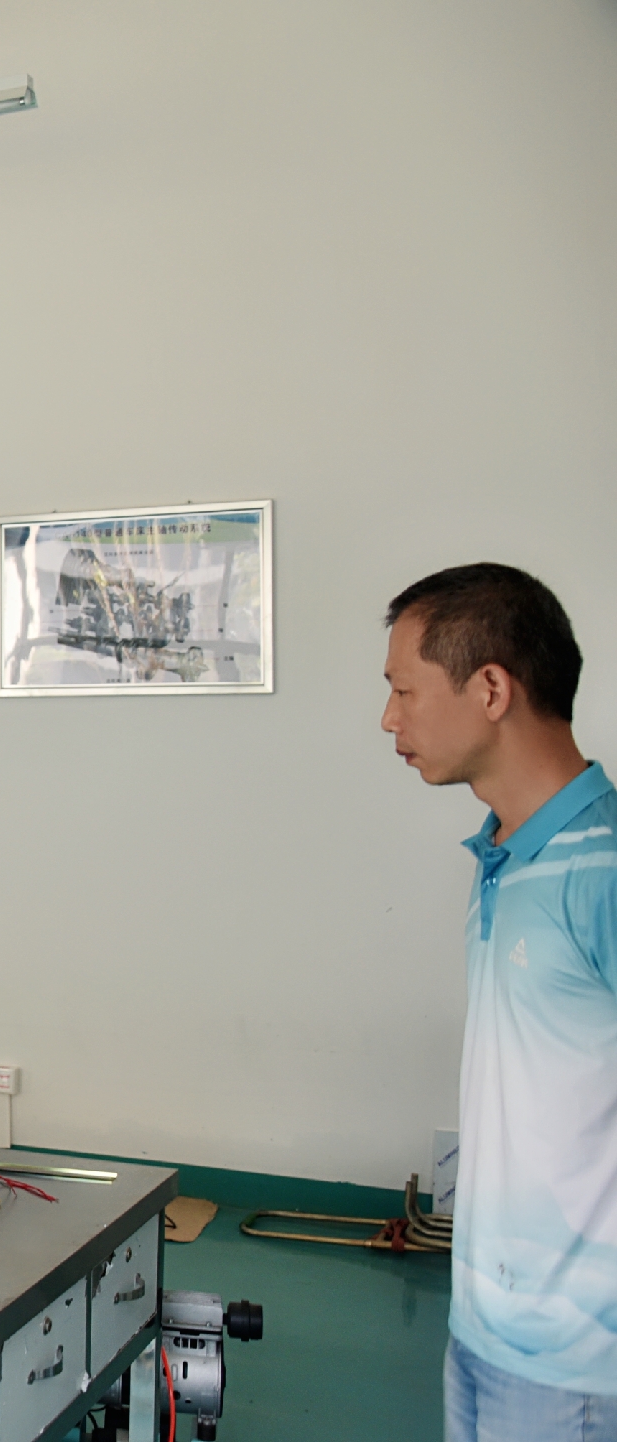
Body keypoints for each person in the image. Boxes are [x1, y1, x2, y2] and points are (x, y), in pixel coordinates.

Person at [380, 563, 617, 1441]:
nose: (389, 718)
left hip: (579, 1365)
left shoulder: (603, 868)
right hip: (483, 1335)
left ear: (490, 688)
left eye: (404, 689)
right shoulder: (503, 859)